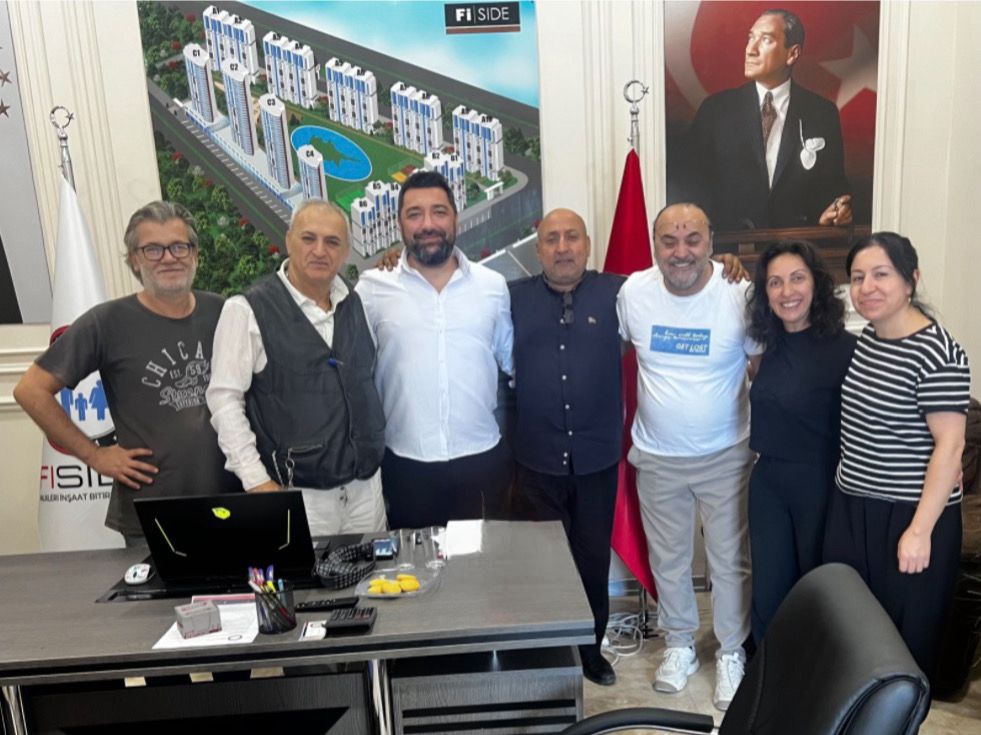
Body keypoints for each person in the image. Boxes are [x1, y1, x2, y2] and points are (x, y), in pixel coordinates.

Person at [14, 201, 240, 544]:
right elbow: (30, 390)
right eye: (153, 249)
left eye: (179, 246)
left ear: (195, 254)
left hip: (231, 499)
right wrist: (94, 455)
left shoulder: (222, 310)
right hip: (151, 512)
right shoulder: (107, 322)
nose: (169, 258)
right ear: (134, 260)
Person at [617, 202, 762, 711]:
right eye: (669, 240)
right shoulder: (633, 293)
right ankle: (678, 643)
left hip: (726, 454)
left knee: (729, 562)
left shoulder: (739, 293)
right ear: (654, 244)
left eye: (693, 239)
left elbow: (761, 367)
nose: (681, 252)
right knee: (669, 560)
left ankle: (731, 651)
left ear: (711, 242)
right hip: (657, 456)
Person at [824, 232, 970, 686]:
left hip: (909, 515)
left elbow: (950, 446)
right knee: (855, 630)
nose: (867, 287)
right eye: (858, 277)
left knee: (904, 644)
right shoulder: (869, 338)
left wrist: (919, 532)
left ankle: (899, 717)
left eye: (881, 274)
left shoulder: (938, 352)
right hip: (853, 508)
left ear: (911, 280)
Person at [206, 199, 387, 537]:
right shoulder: (246, 309)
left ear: (345, 251)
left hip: (366, 490)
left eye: (332, 242)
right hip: (301, 496)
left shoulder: (353, 301)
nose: (320, 251)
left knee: (372, 571)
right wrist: (256, 481)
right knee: (305, 573)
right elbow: (224, 401)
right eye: (308, 238)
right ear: (289, 240)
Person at [355, 171, 513, 529]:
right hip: (405, 466)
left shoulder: (493, 287)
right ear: (399, 223)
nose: (428, 224)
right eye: (415, 214)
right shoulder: (372, 290)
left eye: (439, 211)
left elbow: (512, 361)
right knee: (415, 563)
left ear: (455, 217)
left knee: (482, 562)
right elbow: (357, 374)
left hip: (482, 461)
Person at [509, 208, 625, 686]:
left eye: (571, 237)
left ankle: (591, 651)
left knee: (593, 561)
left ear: (588, 244)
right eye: (551, 239)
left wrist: (728, 267)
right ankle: (549, 653)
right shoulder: (511, 297)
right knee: (544, 568)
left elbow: (681, 282)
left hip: (597, 460)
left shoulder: (621, 293)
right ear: (538, 250)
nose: (562, 247)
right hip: (536, 461)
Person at [744, 240, 856, 644]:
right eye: (775, 282)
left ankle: (819, 671)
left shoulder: (848, 350)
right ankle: (770, 670)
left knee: (817, 586)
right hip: (767, 481)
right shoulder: (765, 345)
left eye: (797, 279)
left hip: (820, 482)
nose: (786, 291)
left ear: (816, 284)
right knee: (769, 589)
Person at [682, 9, 851, 231]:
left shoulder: (822, 113)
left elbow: (833, 188)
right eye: (750, 38)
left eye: (766, 40)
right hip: (729, 246)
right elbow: (691, 186)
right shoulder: (716, 110)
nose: (750, 50)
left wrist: (834, 212)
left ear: (792, 54)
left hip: (795, 244)